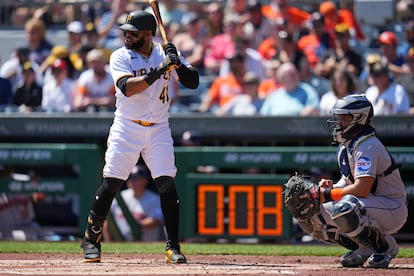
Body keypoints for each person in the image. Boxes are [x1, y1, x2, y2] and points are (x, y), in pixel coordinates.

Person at [80, 10, 199, 264]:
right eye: (125, 31)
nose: (126, 36)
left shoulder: (164, 52)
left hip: (159, 127)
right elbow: (127, 87)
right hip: (127, 126)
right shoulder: (120, 56)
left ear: (147, 34)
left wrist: (177, 61)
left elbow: (193, 82)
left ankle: (173, 246)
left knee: (166, 183)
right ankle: (91, 240)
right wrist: (160, 69)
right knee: (112, 181)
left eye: (133, 33)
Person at [298, 94, 407, 268]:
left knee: (345, 208)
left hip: (391, 207)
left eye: (344, 118)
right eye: (339, 118)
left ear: (359, 118)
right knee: (312, 210)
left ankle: (385, 248)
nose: (339, 123)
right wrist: (331, 187)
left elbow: (362, 188)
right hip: (368, 204)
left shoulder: (368, 145)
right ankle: (363, 248)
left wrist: (329, 193)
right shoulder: (347, 145)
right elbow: (349, 182)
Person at [103, 164, 164, 242]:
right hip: (120, 242)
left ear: (145, 180)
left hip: (146, 242)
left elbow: (155, 221)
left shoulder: (155, 199)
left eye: (136, 178)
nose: (132, 181)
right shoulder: (121, 196)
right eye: (130, 178)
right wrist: (109, 241)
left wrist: (134, 228)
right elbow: (108, 220)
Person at [396, 47, 414, 113]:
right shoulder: (401, 79)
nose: (411, 64)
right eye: (409, 61)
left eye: (413, 60)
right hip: (401, 117)